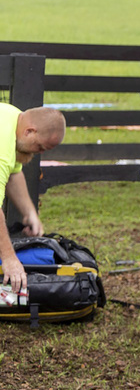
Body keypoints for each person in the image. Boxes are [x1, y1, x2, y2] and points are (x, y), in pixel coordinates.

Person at [0, 105, 65, 295]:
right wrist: (10, 259)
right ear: (30, 131)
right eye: (39, 147)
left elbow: (14, 173)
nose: (38, 153)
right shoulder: (3, 147)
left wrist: (30, 213)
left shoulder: (13, 116)